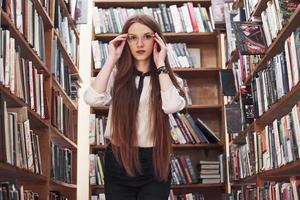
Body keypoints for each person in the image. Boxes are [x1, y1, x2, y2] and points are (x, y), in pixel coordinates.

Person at [84, 14, 186, 200]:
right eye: (133, 38)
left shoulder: (169, 80)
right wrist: (112, 59)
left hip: (155, 161)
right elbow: (92, 98)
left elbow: (171, 106)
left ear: (157, 40)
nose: (140, 44)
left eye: (147, 37)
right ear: (125, 41)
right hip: (119, 159)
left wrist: (161, 64)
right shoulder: (116, 76)